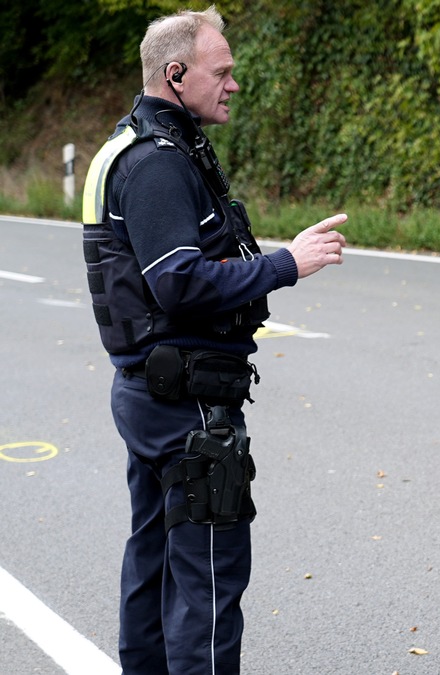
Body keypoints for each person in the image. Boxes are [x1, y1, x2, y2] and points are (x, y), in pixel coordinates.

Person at [80, 6, 346, 673]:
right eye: (220, 71)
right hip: (186, 406)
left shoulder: (140, 145)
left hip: (157, 392)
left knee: (155, 562)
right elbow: (178, 282)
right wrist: (288, 263)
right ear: (176, 74)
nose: (233, 84)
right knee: (206, 581)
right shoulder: (157, 164)